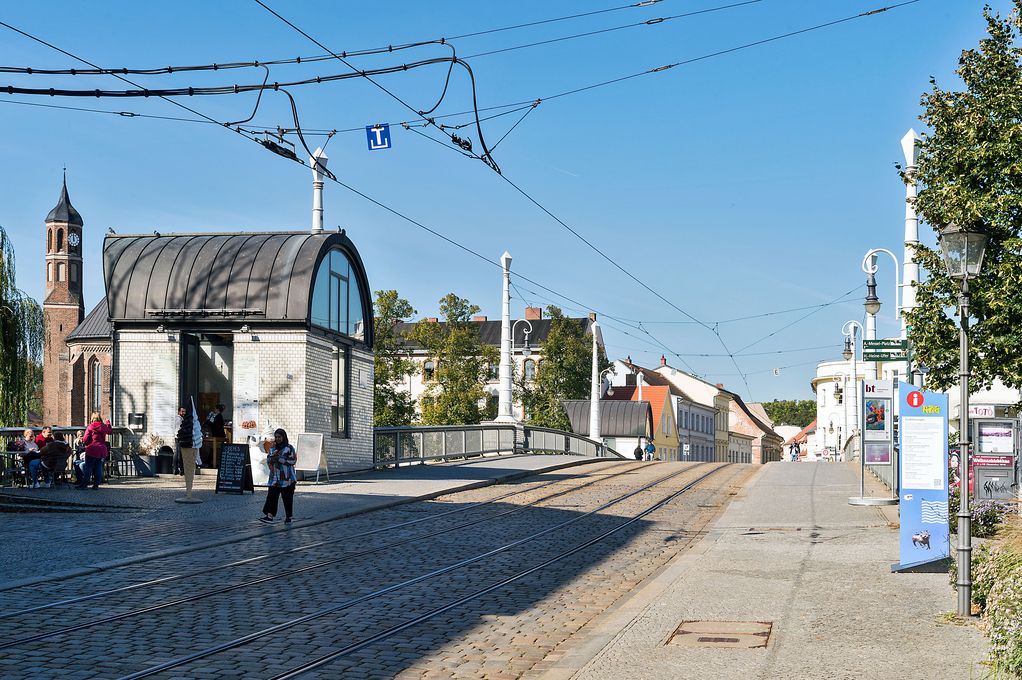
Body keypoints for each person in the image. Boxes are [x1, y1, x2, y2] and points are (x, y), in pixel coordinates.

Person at [259, 428, 297, 525]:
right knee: (272, 497)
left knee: (287, 498)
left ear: (283, 437)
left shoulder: (289, 448)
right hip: (275, 478)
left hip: (287, 478)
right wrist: (271, 460)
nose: (277, 439)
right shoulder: (272, 448)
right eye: (276, 437)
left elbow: (293, 461)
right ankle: (269, 516)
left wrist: (280, 459)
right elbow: (268, 459)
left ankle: (289, 517)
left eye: (279, 437)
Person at [77, 412, 113, 490]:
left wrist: (86, 443)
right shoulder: (103, 426)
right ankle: (96, 485)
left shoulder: (90, 427)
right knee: (98, 467)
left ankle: (84, 484)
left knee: (88, 467)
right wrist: (108, 423)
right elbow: (110, 431)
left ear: (92, 418)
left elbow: (85, 440)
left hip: (92, 449)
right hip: (101, 449)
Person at [176, 404, 200, 497]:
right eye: (182, 411)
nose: (183, 413)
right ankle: (179, 469)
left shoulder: (187, 420)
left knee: (183, 458)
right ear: (179, 411)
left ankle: (189, 492)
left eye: (184, 411)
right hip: (185, 440)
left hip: (189, 441)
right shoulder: (179, 419)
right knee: (178, 455)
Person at [207, 404, 226, 469]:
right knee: (213, 449)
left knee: (214, 449)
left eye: (215, 409)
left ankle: (211, 462)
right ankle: (209, 462)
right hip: (216, 435)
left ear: (218, 409)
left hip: (218, 435)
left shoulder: (219, 416)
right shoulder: (216, 416)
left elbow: (213, 424)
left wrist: (209, 419)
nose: (214, 410)